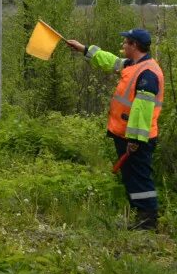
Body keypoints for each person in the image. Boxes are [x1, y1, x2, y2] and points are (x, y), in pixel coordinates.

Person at [65, 28, 163, 230]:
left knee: (140, 179)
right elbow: (109, 60)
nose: (123, 46)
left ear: (134, 46)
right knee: (132, 178)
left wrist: (135, 142)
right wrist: (84, 49)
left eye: (126, 43)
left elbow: (143, 111)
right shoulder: (132, 64)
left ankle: (148, 221)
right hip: (127, 136)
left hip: (136, 140)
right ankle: (140, 216)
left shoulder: (147, 74)